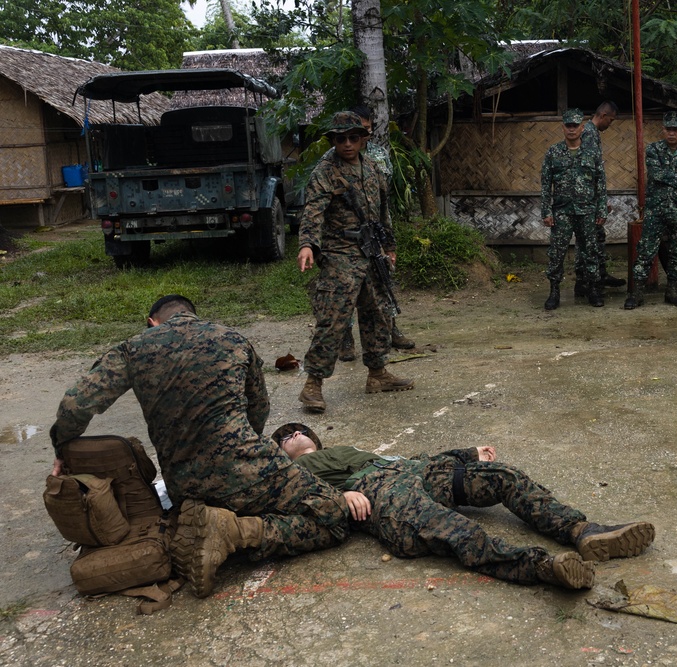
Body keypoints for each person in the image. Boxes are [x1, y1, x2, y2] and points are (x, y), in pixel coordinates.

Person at [49, 295, 358, 598]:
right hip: (248, 471)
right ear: (194, 316)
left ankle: (215, 525)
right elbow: (258, 410)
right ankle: (238, 533)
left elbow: (75, 405)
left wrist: (61, 450)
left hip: (184, 489)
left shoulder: (133, 349)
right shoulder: (233, 340)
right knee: (335, 516)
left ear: (151, 323)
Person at [273, 423, 656, 591]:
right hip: (379, 495)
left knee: (502, 476)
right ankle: (541, 567)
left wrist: (466, 453)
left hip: (416, 471)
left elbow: (407, 457)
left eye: (300, 430)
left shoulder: (349, 451)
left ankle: (581, 532)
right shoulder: (292, 472)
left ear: (316, 439)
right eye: (285, 436)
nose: (295, 434)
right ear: (278, 453)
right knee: (457, 530)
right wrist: (339, 498)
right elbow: (296, 502)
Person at [297, 111, 413, 412]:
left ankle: (377, 374)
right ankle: (313, 385)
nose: (346, 144)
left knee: (378, 313)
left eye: (352, 137)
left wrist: (390, 246)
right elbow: (313, 210)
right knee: (333, 318)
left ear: (363, 139)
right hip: (340, 252)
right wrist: (308, 244)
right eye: (340, 138)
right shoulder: (325, 171)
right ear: (333, 140)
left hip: (371, 251)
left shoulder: (373, 169)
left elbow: (383, 212)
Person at [339, 105, 415, 363]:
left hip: (377, 230)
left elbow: (385, 195)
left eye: (365, 130)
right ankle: (346, 339)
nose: (361, 135)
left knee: (383, 281)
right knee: (348, 289)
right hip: (349, 236)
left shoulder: (380, 156)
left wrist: (388, 240)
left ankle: (390, 330)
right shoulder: (334, 160)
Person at [624, 111, 677, 309]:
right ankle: (637, 293)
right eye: (668, 129)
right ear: (663, 130)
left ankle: (673, 290)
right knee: (645, 251)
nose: (672, 133)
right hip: (655, 210)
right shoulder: (654, 149)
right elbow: (656, 173)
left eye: (676, 129)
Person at [540, 108, 607, 310]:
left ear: (582, 127)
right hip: (562, 212)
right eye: (568, 125)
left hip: (587, 211)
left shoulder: (592, 153)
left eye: (575, 126)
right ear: (563, 128)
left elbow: (601, 184)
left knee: (590, 251)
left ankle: (593, 289)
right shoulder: (553, 152)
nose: (571, 129)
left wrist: (602, 210)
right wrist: (546, 211)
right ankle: (554, 291)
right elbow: (545, 184)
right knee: (557, 253)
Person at [575, 100, 626, 295]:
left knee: (596, 238)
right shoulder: (588, 133)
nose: (610, 124)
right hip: (586, 199)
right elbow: (589, 172)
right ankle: (585, 282)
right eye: (610, 120)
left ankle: (599, 276)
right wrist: (598, 201)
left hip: (591, 198)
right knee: (588, 240)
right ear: (603, 116)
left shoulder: (591, 133)